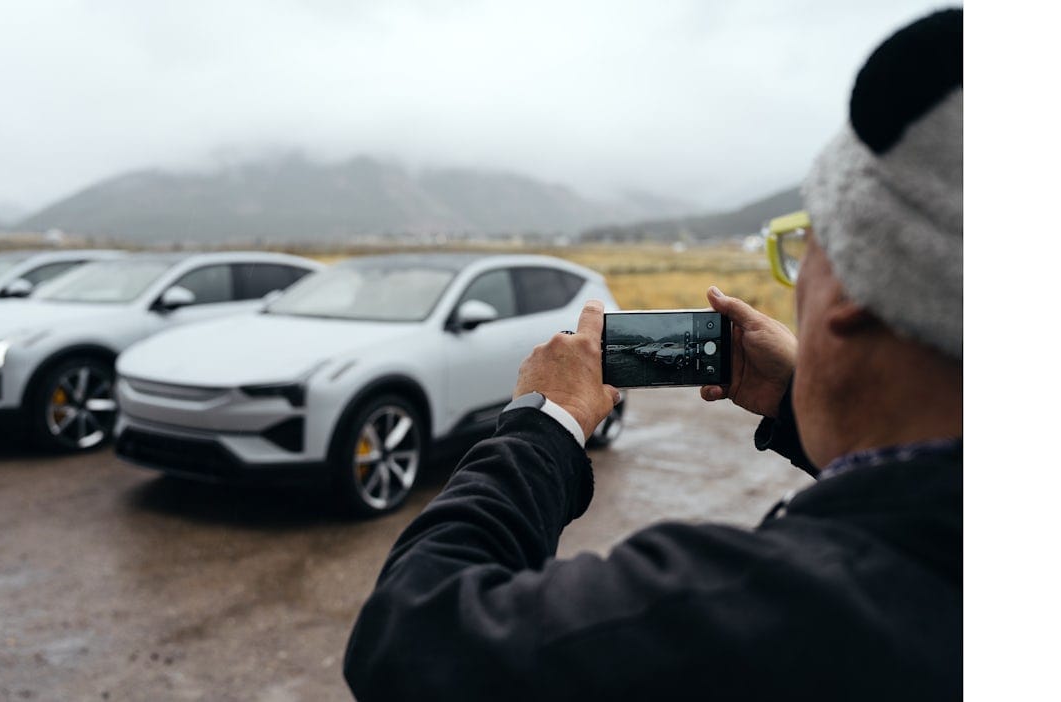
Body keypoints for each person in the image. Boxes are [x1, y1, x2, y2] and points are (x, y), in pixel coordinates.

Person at [343, 8, 962, 701]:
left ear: (854, 288)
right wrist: (797, 404)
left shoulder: (757, 611)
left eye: (803, 250)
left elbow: (412, 636)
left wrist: (543, 422)